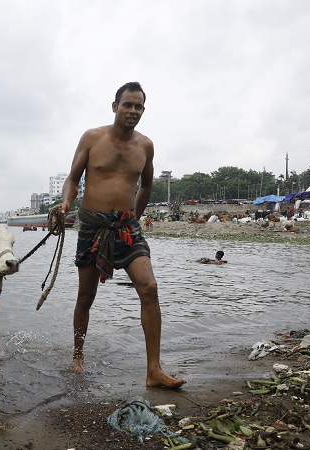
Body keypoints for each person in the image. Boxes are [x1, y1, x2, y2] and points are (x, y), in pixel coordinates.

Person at [60, 81, 186, 388]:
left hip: (127, 227)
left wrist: (136, 218)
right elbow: (73, 178)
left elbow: (146, 185)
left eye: (139, 106)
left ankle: (154, 370)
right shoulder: (92, 138)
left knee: (149, 287)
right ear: (115, 106)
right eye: (127, 104)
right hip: (92, 226)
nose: (133, 110)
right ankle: (78, 356)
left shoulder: (145, 146)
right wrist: (66, 202)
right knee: (86, 297)